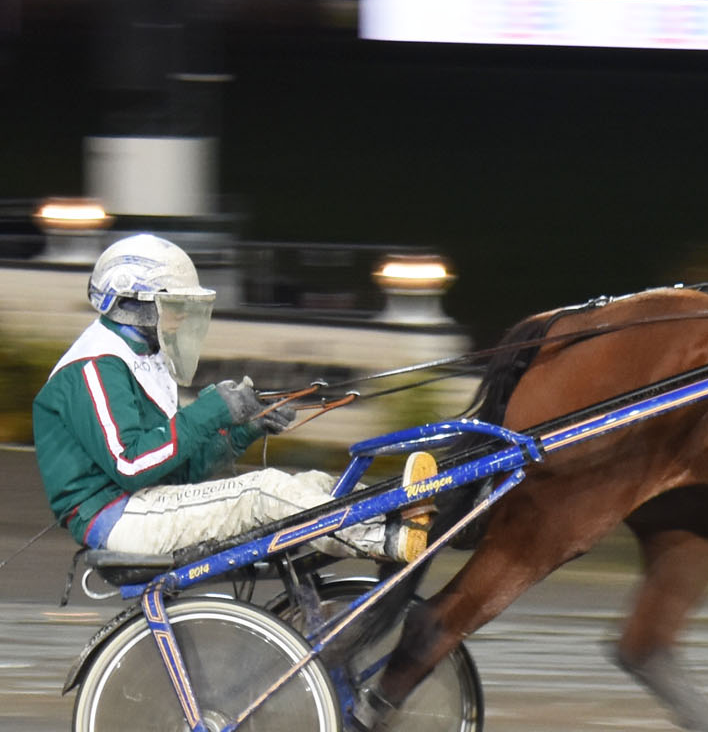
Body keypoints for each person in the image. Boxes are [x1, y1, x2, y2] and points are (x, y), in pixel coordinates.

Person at [32, 233, 432, 562]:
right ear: (134, 305)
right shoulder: (94, 367)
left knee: (308, 483)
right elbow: (133, 464)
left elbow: (176, 473)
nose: (181, 319)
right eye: (174, 308)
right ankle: (384, 537)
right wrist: (212, 410)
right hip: (117, 518)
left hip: (145, 503)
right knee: (263, 492)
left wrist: (242, 432)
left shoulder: (143, 361)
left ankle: (398, 509)